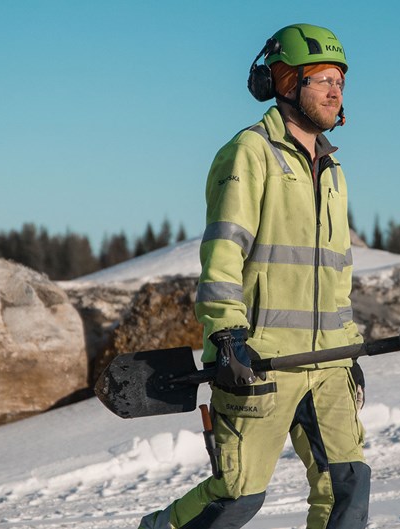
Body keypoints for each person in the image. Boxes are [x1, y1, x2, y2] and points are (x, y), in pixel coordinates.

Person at [139, 23, 369, 529]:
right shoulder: (250, 152)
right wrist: (227, 335)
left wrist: (349, 347)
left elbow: (337, 274)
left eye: (341, 82)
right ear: (286, 83)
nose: (335, 91)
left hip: (328, 359)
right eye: (322, 79)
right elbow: (224, 252)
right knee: (237, 497)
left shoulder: (334, 171)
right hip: (260, 360)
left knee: (347, 485)